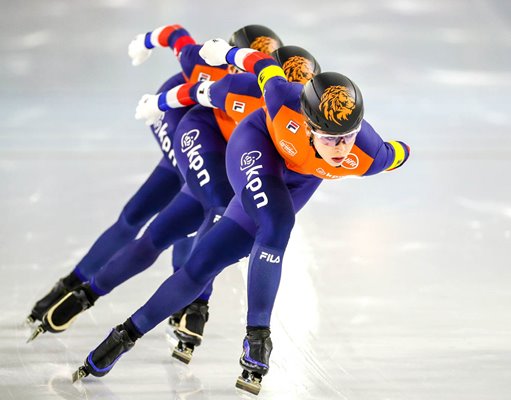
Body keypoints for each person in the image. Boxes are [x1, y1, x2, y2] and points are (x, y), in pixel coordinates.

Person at [71, 38, 409, 396]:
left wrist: (403, 153)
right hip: (256, 144)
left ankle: (123, 335)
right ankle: (258, 338)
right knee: (278, 223)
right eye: (330, 139)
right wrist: (219, 58)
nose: (341, 149)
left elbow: (398, 153)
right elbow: (262, 65)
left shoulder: (368, 155)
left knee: (202, 266)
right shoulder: (282, 98)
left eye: (348, 137)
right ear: (308, 125)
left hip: (296, 182)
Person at [26, 24, 283, 344]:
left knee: (186, 210)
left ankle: (181, 296)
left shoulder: (272, 91)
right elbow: (176, 35)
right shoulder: (201, 61)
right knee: (180, 209)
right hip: (179, 124)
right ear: (229, 62)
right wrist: (146, 47)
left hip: (212, 144)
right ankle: (74, 287)